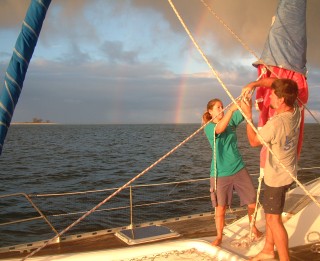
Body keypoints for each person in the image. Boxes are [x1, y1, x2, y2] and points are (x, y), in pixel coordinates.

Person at [241, 78, 301, 261]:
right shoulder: (296, 109)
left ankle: (284, 258)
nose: (269, 97)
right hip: (288, 173)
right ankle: (268, 249)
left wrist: (248, 116)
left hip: (276, 179)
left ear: (281, 99)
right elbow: (277, 83)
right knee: (270, 214)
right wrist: (253, 84)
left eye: (273, 95)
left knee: (274, 221)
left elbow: (253, 142)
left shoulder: (276, 124)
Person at [202, 98, 262, 246]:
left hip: (239, 168)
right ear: (210, 111)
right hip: (220, 173)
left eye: (222, 106)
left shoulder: (231, 121)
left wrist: (246, 96)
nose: (221, 109)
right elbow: (220, 129)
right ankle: (219, 236)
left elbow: (244, 110)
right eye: (218, 107)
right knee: (220, 207)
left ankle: (253, 227)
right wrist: (230, 110)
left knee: (252, 201)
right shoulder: (209, 127)